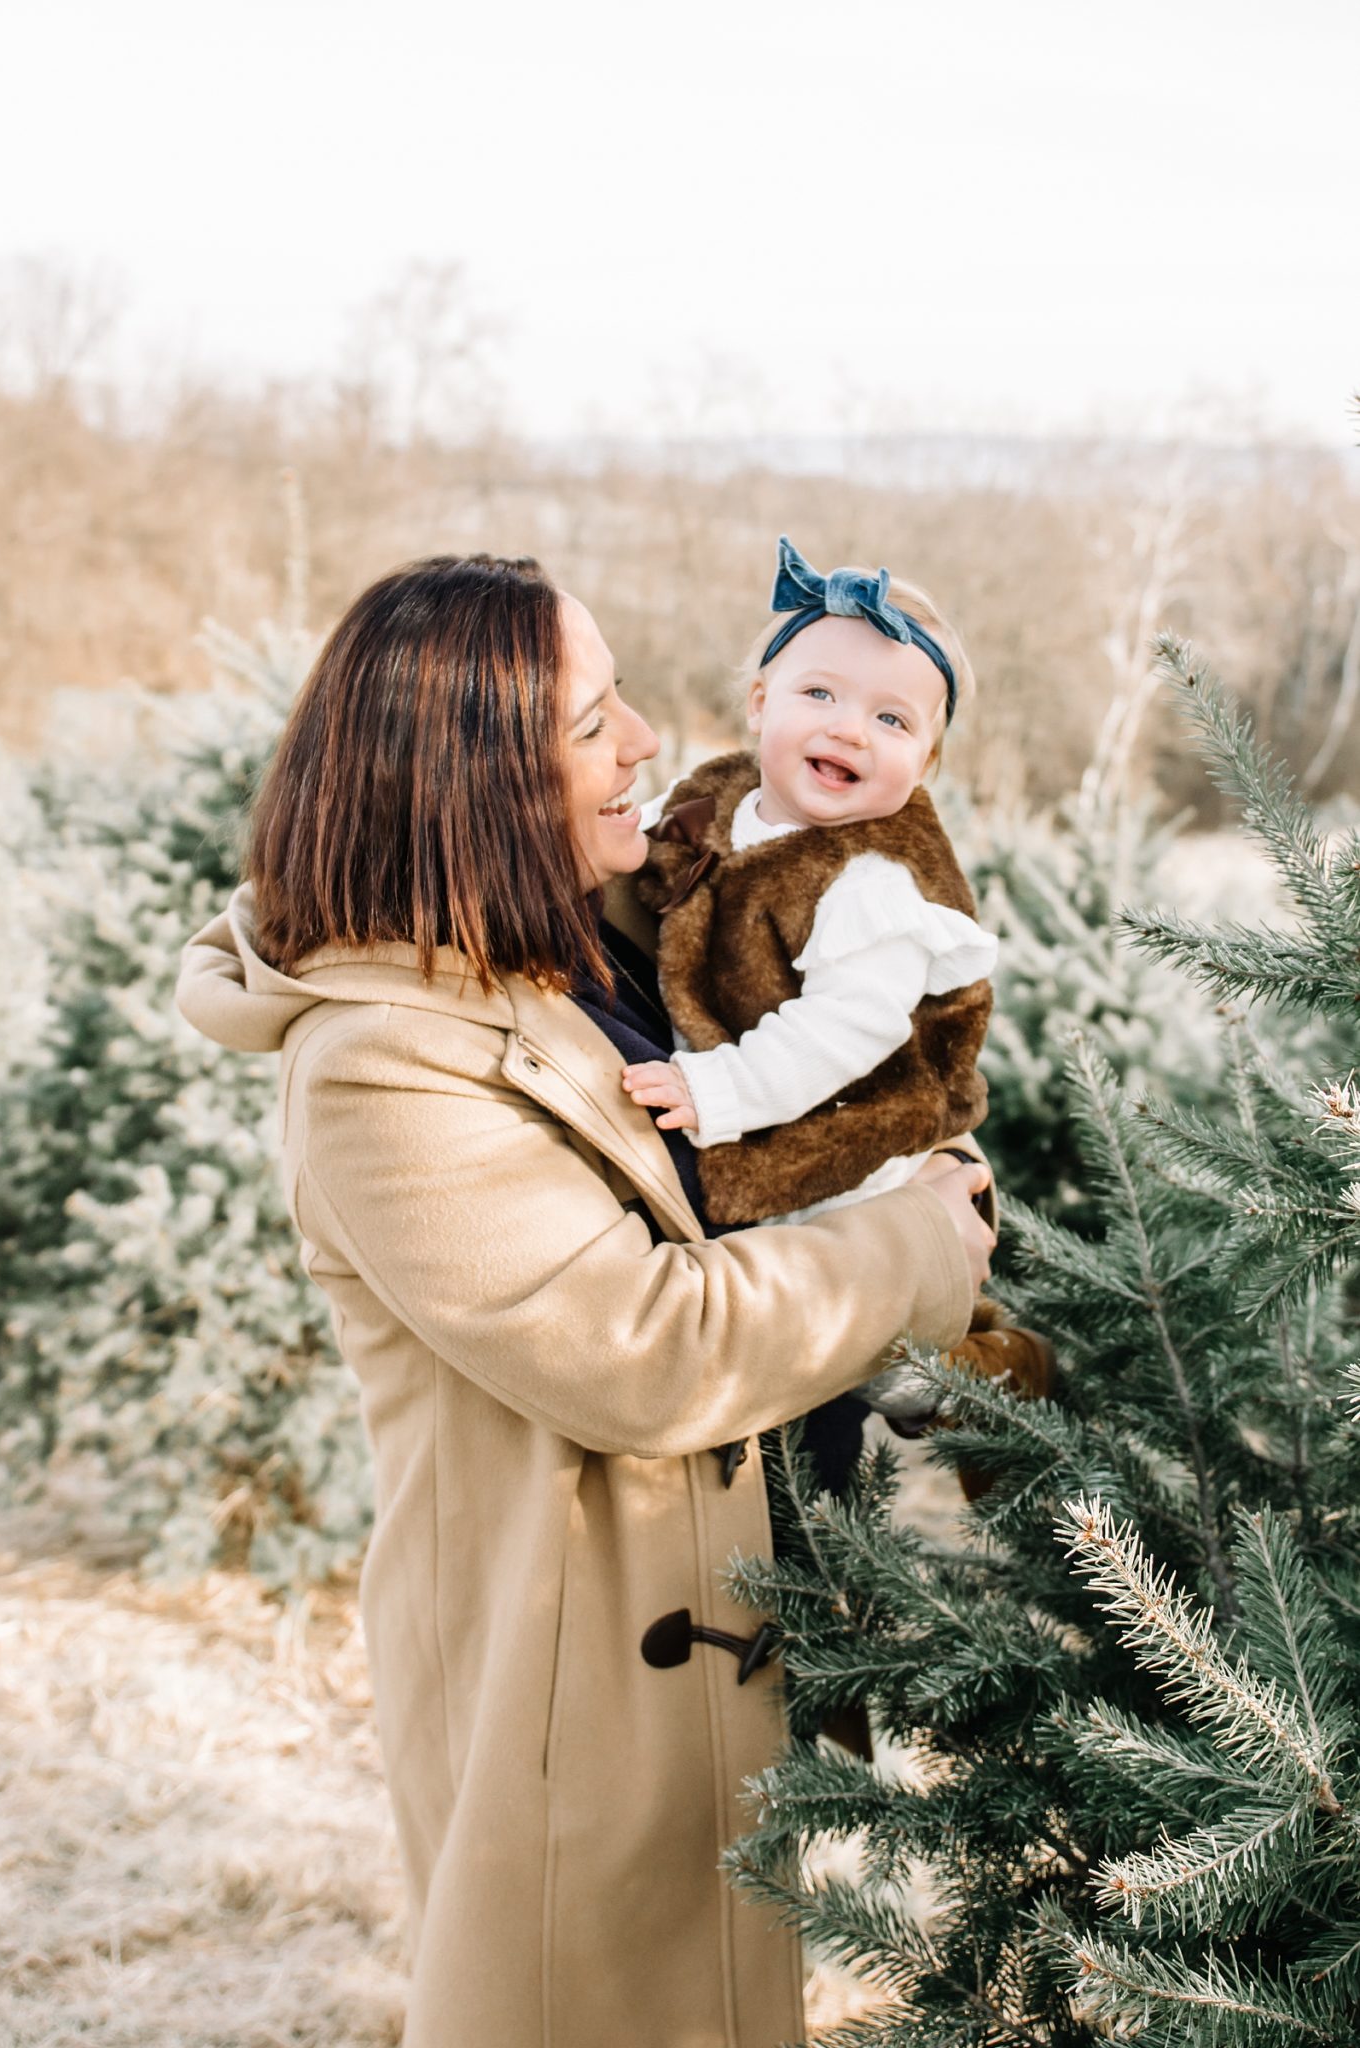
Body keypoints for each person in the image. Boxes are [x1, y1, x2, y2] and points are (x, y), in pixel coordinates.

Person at [175, 552, 995, 2048]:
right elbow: (646, 1349)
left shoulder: (577, 952)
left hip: (702, 1641)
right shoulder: (380, 1065)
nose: (641, 744)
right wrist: (923, 1245)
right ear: (474, 780)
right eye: (591, 719)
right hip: (575, 1700)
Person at [621, 535, 1053, 1469]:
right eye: (820, 694)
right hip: (758, 1124)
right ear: (758, 703)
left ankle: (981, 1392)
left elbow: (847, 1029)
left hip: (843, 1143)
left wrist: (724, 1089)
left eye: (891, 720)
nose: (849, 729)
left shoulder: (869, 881)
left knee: (856, 1346)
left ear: (924, 763)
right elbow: (648, 864)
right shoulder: (717, 799)